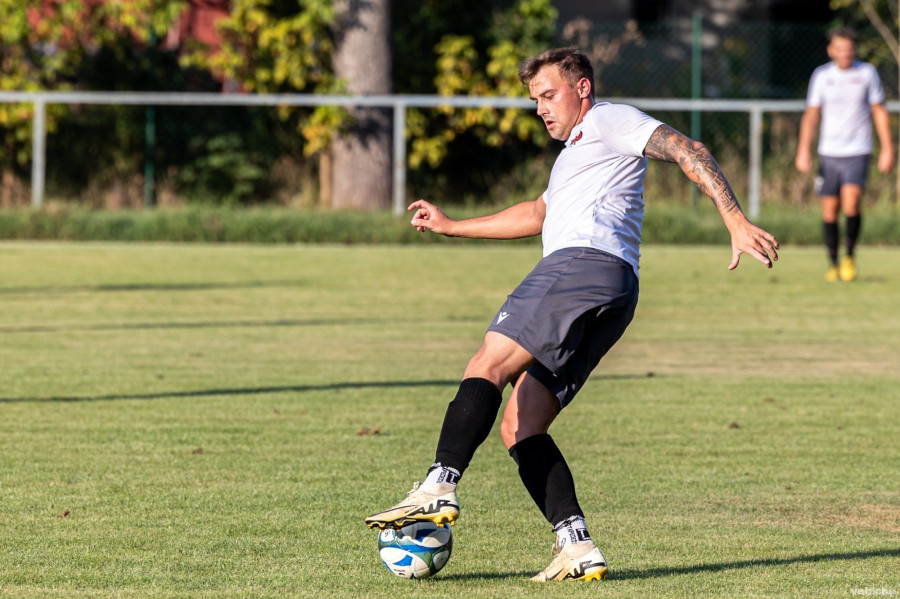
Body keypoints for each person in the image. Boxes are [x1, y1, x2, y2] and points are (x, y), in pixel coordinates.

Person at [365, 47, 779, 582]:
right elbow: (538, 214)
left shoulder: (608, 119)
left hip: (581, 266)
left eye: (548, 94)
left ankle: (438, 485)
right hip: (616, 290)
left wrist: (734, 219)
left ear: (582, 88)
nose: (540, 108)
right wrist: (452, 226)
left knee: (489, 361)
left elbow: (686, 148)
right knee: (520, 423)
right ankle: (576, 545)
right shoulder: (575, 153)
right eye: (535, 99)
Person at [795, 26, 893, 282]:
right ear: (831, 50)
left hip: (858, 150)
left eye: (849, 47)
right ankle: (833, 262)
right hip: (829, 153)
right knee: (829, 211)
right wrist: (803, 149)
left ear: (854, 49)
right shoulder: (821, 76)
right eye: (840, 48)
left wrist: (888, 149)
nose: (845, 52)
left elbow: (879, 112)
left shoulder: (867, 73)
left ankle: (849, 256)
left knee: (851, 203)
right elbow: (811, 114)